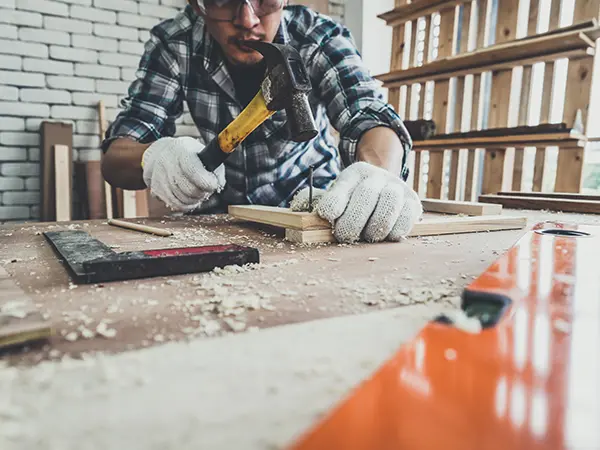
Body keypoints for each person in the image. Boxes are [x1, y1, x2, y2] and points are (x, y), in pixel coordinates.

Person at [100, 0, 423, 243]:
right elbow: (116, 156)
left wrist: (378, 173)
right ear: (197, 5)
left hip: (314, 208)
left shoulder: (317, 36)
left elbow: (367, 113)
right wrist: (152, 157)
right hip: (227, 214)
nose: (247, 19)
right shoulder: (174, 43)